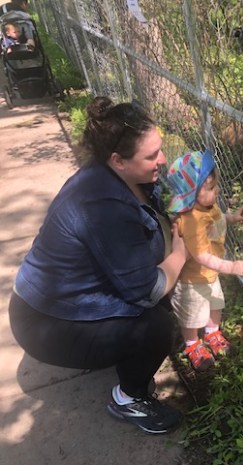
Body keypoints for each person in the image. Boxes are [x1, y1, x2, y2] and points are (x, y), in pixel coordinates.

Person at [8, 96, 189, 435]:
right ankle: (128, 398)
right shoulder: (104, 206)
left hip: (54, 303)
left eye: (160, 149)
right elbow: (147, 290)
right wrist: (181, 252)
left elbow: (164, 201)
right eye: (152, 156)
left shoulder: (113, 175)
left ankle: (110, 347)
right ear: (118, 160)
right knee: (155, 326)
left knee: (157, 285)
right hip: (43, 323)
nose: (162, 160)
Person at [166, 150, 243, 372]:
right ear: (192, 193)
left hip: (210, 274)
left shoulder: (207, 207)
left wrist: (233, 217)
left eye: (215, 186)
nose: (218, 190)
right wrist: (231, 267)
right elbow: (201, 256)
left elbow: (217, 220)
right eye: (211, 188)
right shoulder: (192, 221)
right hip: (194, 279)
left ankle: (213, 332)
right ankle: (192, 343)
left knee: (215, 305)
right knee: (192, 315)